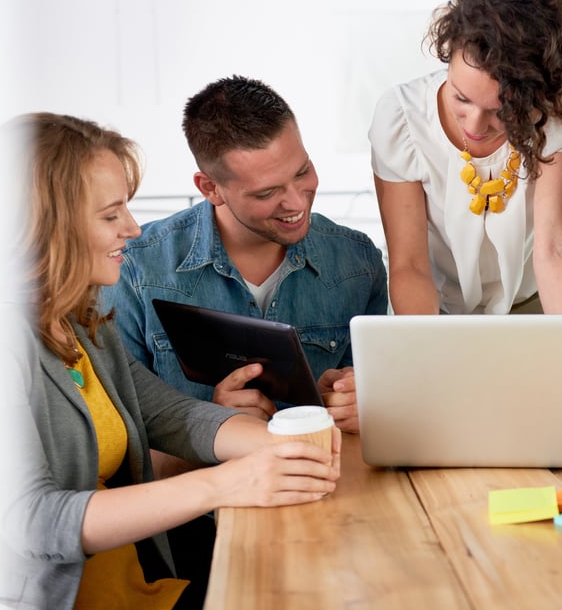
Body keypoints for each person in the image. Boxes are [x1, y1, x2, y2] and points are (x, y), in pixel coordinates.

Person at [5, 113, 341, 610]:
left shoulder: (80, 320)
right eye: (110, 214)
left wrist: (286, 444)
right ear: (46, 226)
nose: (133, 229)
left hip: (146, 591)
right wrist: (226, 482)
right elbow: (34, 520)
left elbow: (168, 413)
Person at [101, 75, 388, 434]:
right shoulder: (133, 270)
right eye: (267, 193)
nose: (297, 202)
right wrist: (213, 425)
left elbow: (375, 412)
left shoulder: (358, 262)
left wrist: (364, 406)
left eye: (302, 172)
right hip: (203, 488)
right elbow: (124, 446)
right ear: (210, 188)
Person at [369, 0, 562, 315]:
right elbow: (409, 266)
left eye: (501, 111)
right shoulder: (401, 118)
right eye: (461, 97)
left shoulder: (558, 119)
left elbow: (556, 248)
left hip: (536, 303)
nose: (474, 125)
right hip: (436, 309)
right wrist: (423, 358)